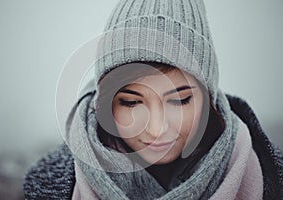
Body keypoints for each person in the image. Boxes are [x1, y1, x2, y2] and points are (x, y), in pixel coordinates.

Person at [23, 0, 283, 199]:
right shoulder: (48, 185)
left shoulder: (273, 175)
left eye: (180, 101)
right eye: (131, 102)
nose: (157, 129)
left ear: (208, 97)